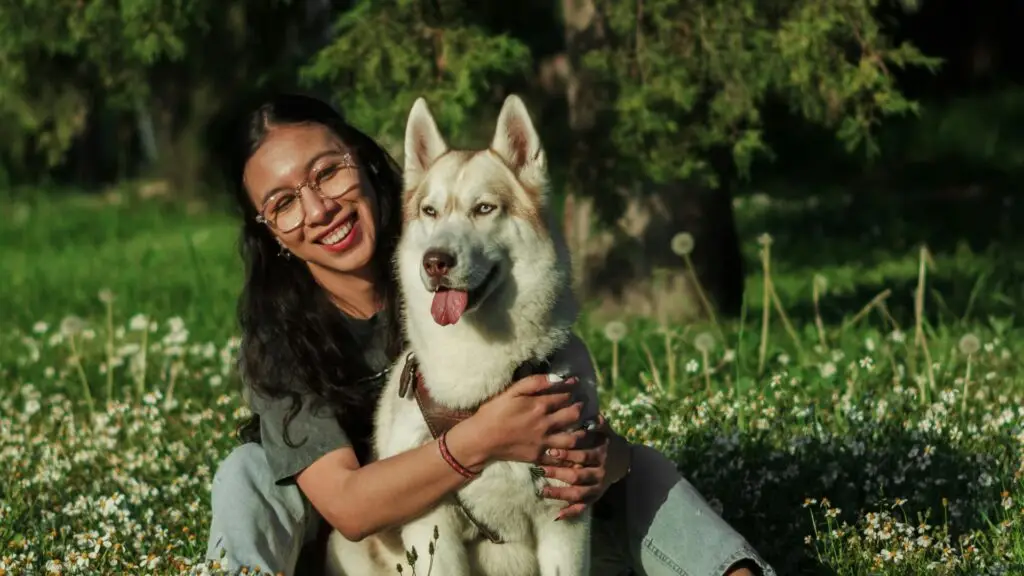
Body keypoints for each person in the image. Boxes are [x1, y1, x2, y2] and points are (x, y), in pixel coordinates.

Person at [203, 91, 775, 576]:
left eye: (328, 171)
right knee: (247, 471)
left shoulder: (455, 250)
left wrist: (604, 459)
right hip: (369, 535)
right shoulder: (279, 338)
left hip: (508, 522)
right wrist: (480, 438)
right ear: (270, 230)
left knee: (633, 461)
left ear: (365, 163)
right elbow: (351, 509)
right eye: (283, 204)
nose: (319, 207)